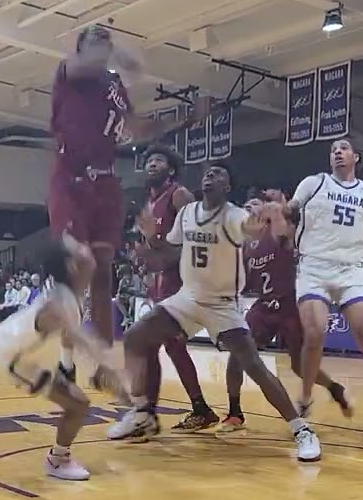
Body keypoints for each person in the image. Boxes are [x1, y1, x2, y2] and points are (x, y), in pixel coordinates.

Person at [109, 162, 323, 462]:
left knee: (254, 366)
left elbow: (250, 229)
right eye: (208, 172)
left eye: (218, 174)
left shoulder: (234, 216)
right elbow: (171, 252)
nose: (210, 176)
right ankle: (142, 412)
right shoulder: (187, 213)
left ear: (227, 187)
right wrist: (151, 237)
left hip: (221, 304)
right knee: (135, 337)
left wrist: (262, 219)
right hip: (188, 297)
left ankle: (301, 429)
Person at [48, 24, 208, 376]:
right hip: (72, 178)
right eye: (94, 39)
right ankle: (65, 361)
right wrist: (117, 53)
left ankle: (104, 364)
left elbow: (137, 127)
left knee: (103, 276)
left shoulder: (115, 85)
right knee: (81, 264)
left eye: (104, 38)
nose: (101, 43)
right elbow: (82, 63)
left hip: (105, 184)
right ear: (81, 47)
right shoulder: (70, 72)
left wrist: (184, 120)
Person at [0, 235, 127, 481]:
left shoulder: (69, 294)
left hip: (8, 337)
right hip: (15, 361)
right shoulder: (58, 305)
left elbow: (70, 339)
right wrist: (110, 368)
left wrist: (77, 369)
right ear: (73, 265)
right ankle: (58, 459)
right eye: (79, 247)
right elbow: (80, 338)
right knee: (78, 405)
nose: (86, 246)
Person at [262, 139, 363, 434]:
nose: (337, 153)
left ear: (356, 157)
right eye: (333, 150)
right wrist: (279, 207)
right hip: (314, 267)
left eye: (343, 148)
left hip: (351, 269)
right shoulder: (314, 183)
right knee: (315, 331)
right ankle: (305, 397)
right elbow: (290, 211)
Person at [217, 198, 352, 433]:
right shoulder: (245, 246)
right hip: (263, 306)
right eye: (246, 207)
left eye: (254, 205)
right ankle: (235, 413)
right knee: (237, 355)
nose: (249, 208)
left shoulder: (278, 232)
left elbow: (288, 226)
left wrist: (277, 208)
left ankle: (333, 387)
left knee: (299, 366)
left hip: (290, 304)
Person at [136, 145, 218, 431]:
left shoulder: (179, 195)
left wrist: (156, 245)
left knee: (149, 342)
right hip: (163, 282)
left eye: (158, 160)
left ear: (171, 169)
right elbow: (155, 247)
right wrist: (147, 258)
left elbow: (199, 238)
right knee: (172, 346)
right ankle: (200, 409)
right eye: (149, 160)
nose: (152, 164)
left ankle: (146, 413)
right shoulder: (149, 202)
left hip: (184, 281)